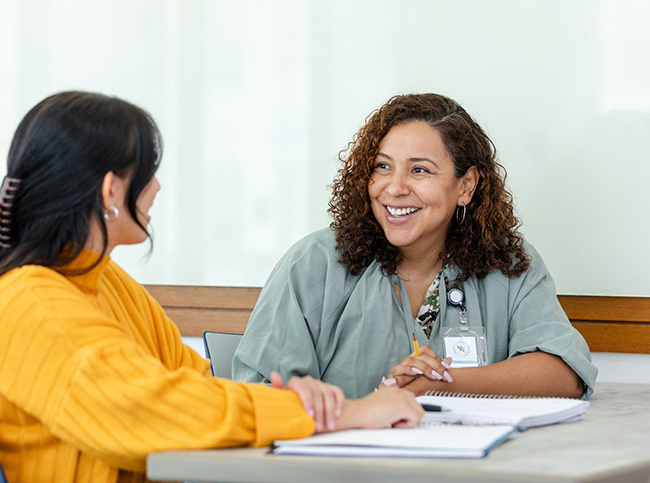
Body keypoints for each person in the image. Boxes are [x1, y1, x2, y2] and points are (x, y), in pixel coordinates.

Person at [0, 91, 423, 483]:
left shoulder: (100, 280)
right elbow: (152, 411)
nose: (157, 187)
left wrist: (300, 402)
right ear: (111, 189)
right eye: (149, 172)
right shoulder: (30, 300)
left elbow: (194, 388)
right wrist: (348, 413)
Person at [232, 93, 598, 400]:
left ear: (466, 186)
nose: (394, 188)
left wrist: (437, 383)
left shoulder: (508, 262)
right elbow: (262, 394)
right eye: (382, 167)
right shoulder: (314, 264)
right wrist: (370, 411)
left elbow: (563, 371)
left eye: (419, 170)